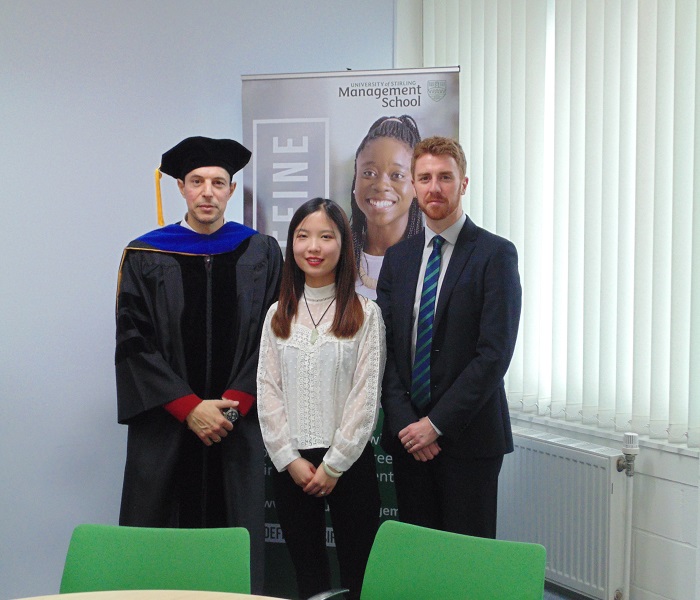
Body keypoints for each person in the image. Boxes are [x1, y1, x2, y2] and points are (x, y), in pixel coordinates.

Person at [115, 136, 282, 594]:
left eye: (218, 182)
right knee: (159, 547)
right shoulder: (146, 254)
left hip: (235, 426)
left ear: (231, 191)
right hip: (168, 428)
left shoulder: (262, 252)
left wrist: (234, 404)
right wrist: (189, 407)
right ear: (182, 189)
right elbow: (134, 342)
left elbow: (275, 336)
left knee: (234, 544)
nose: (207, 191)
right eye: (197, 182)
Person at [376, 136, 521, 539]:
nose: (434, 187)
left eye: (445, 177)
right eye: (424, 177)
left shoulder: (495, 255)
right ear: (413, 185)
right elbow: (383, 350)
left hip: (470, 439)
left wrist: (435, 425)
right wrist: (408, 424)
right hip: (409, 443)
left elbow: (494, 355)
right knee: (420, 563)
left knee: (465, 567)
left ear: (464, 183)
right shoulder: (398, 258)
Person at [257, 198, 386, 600]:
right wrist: (290, 459)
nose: (313, 247)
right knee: (306, 575)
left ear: (343, 245)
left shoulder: (366, 313)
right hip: (291, 468)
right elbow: (268, 391)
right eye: (302, 236)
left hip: (349, 466)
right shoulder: (278, 314)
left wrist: (332, 465)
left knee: (359, 574)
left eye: (325, 236)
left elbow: (366, 398)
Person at [350, 115, 423, 300]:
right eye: (369, 173)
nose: (381, 185)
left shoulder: (432, 261)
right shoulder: (335, 256)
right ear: (355, 181)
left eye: (397, 175)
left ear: (415, 185)